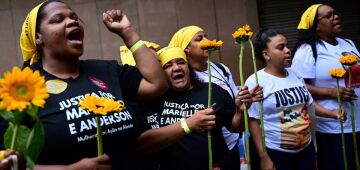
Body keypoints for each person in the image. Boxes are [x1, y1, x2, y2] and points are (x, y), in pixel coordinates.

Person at [0, 0, 167, 169]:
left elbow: (157, 84)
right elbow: (11, 164)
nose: (72, 21)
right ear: (38, 37)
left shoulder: (106, 70)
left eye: (74, 17)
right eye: (58, 19)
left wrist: (127, 32)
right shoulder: (22, 89)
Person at [136, 46, 258, 170]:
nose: (177, 68)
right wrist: (189, 124)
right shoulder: (155, 100)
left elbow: (236, 127)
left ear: (188, 68)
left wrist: (241, 111)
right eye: (168, 66)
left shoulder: (212, 90)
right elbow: (143, 145)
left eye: (181, 62)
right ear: (161, 74)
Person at [245, 28, 344, 170]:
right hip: (276, 153)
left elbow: (309, 104)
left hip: (305, 150)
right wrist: (263, 156)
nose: (287, 50)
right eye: (281, 47)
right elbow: (253, 120)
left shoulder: (295, 75)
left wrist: (332, 113)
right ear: (266, 54)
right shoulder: (256, 81)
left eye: (287, 45)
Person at [291, 4, 360, 170]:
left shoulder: (348, 44)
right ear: (316, 25)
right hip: (335, 128)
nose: (336, 17)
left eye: (335, 14)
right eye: (329, 16)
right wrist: (331, 92)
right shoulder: (308, 50)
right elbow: (297, 87)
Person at [168, 25, 245, 169]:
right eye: (199, 38)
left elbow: (235, 102)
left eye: (206, 36)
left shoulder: (221, 68)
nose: (207, 41)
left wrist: (243, 102)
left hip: (232, 142)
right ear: (186, 49)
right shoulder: (185, 80)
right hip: (207, 148)